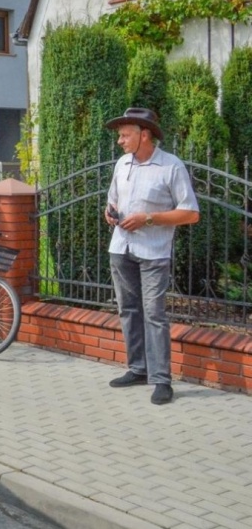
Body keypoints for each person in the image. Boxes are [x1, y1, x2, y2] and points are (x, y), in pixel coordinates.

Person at [104, 107, 199, 405]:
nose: (120, 140)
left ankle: (161, 380)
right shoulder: (122, 164)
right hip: (121, 249)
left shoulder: (171, 167)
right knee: (128, 311)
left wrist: (148, 218)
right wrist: (110, 214)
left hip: (153, 253)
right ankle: (138, 369)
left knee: (154, 315)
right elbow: (112, 202)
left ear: (144, 135)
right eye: (120, 135)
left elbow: (191, 213)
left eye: (125, 135)